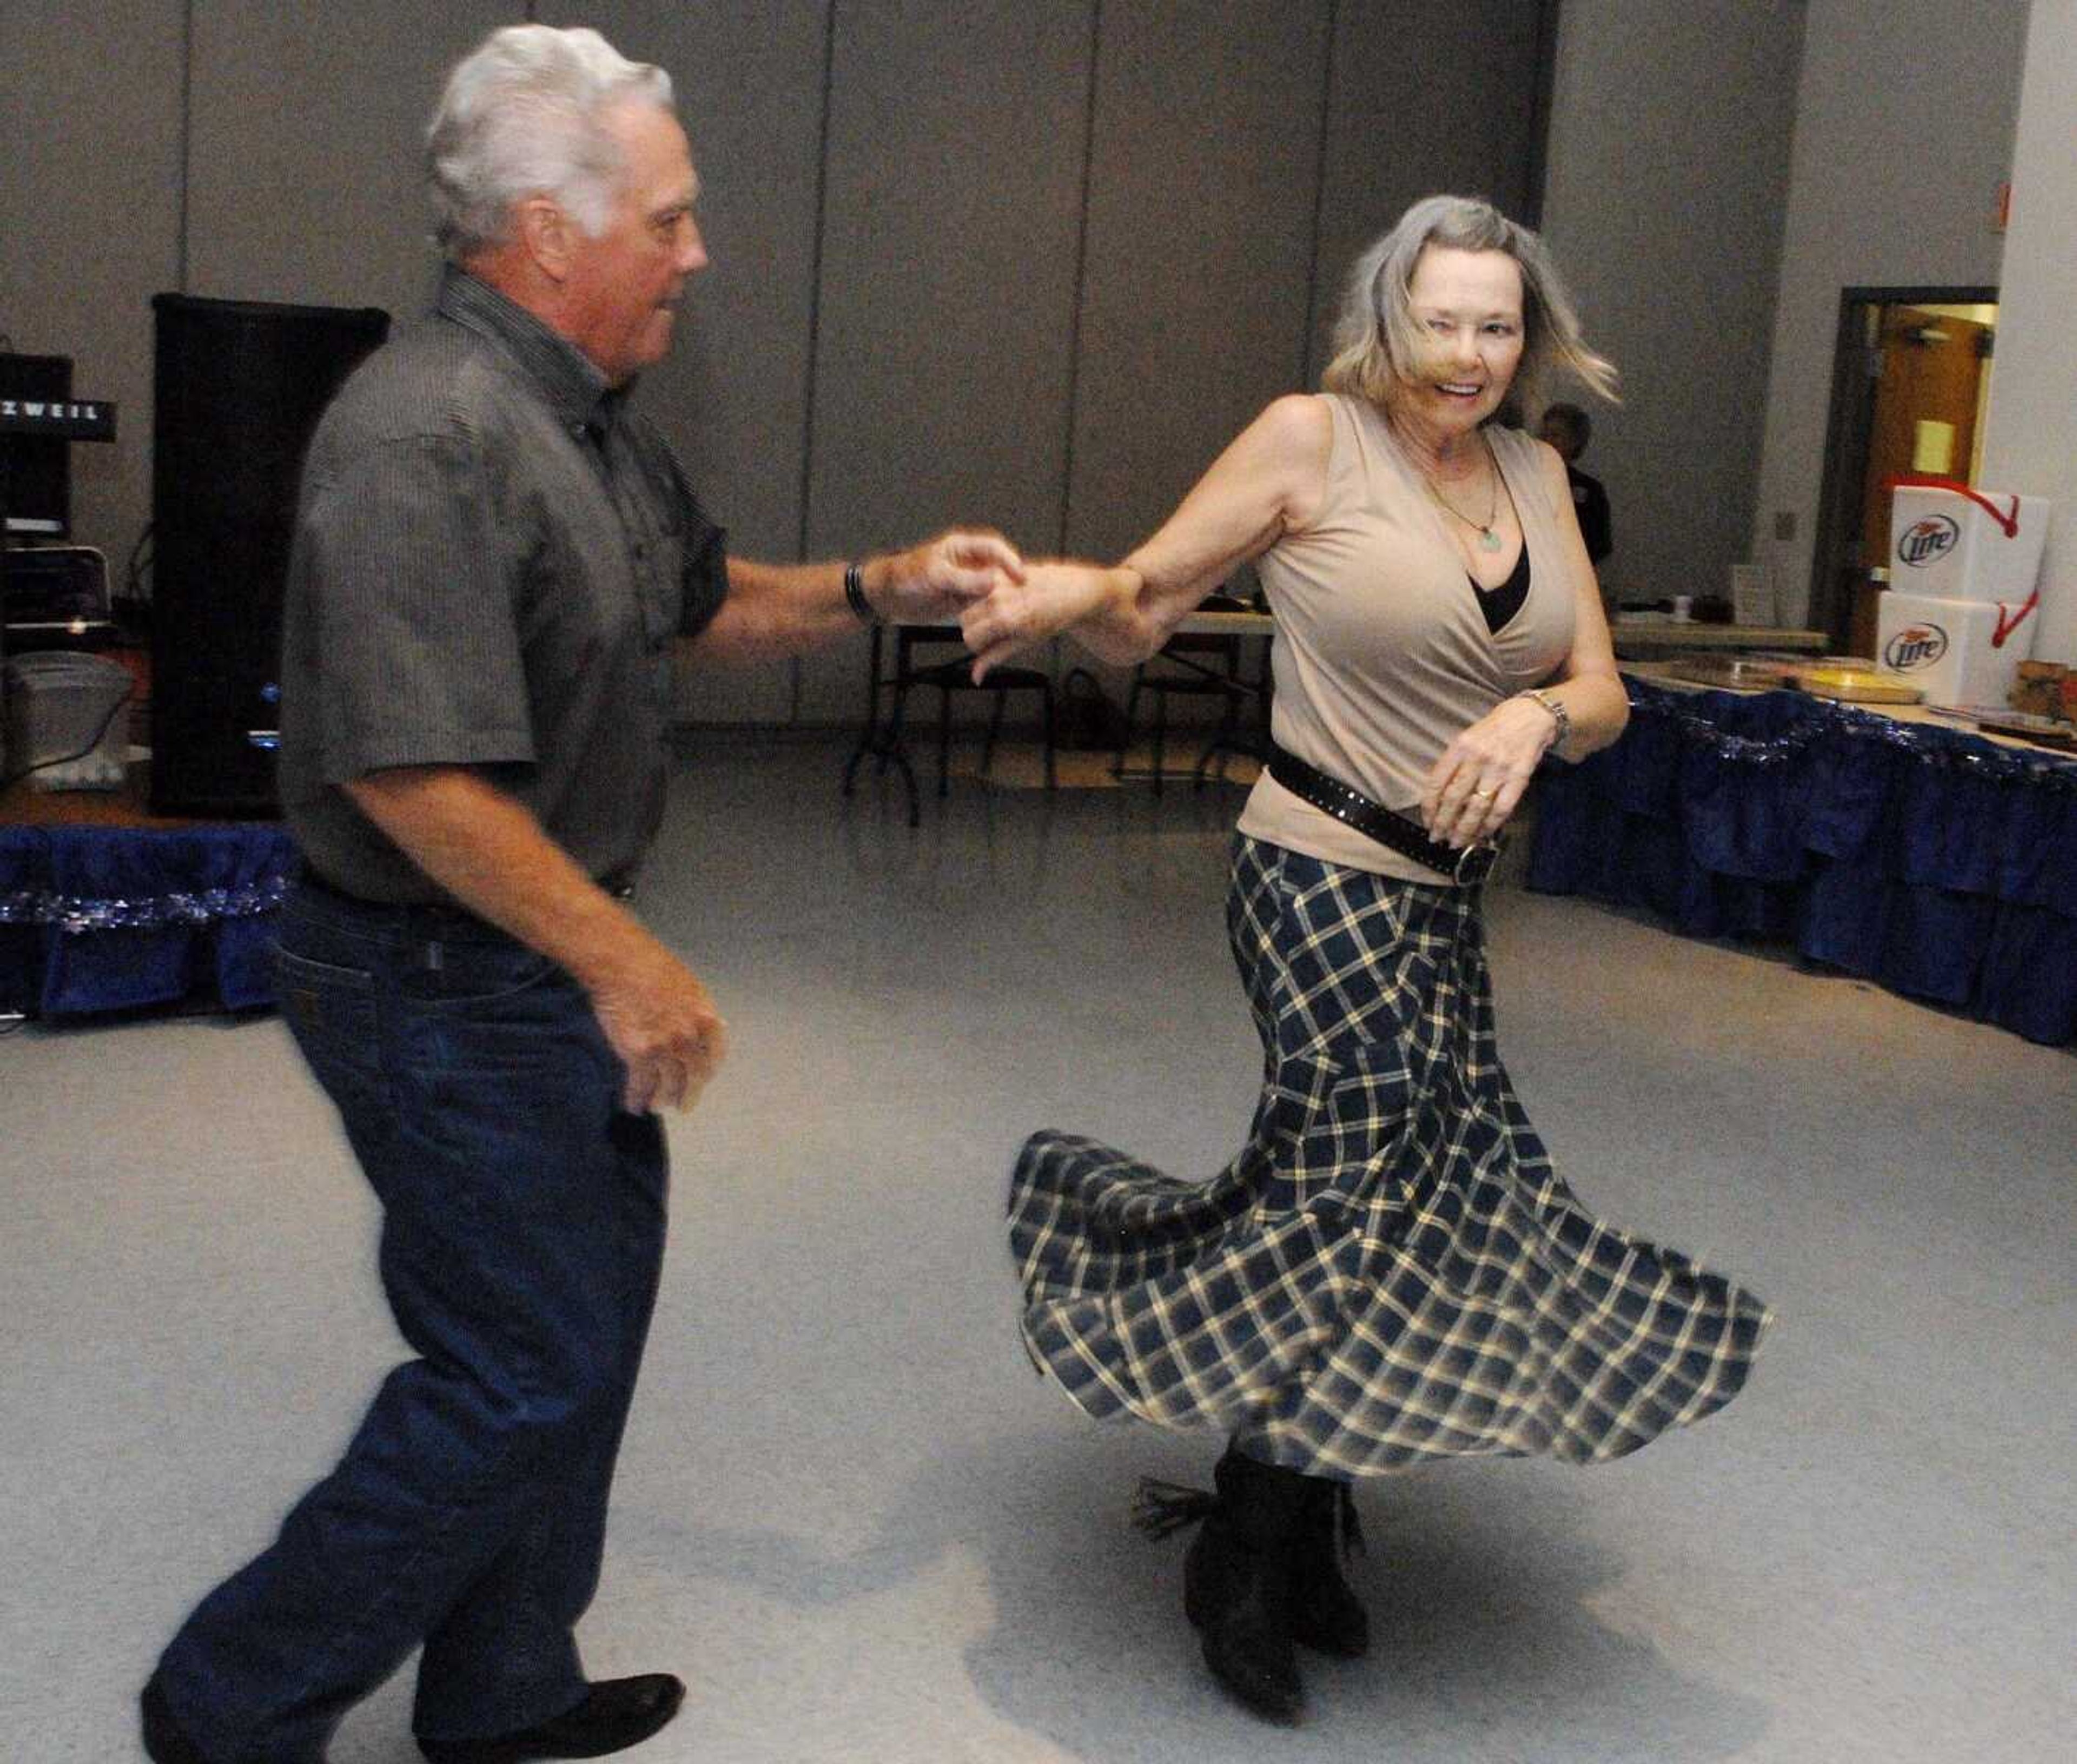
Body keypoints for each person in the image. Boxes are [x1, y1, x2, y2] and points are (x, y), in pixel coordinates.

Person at [140, 26, 1020, 1764]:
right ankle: (224, 1710)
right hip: (440, 975)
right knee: (517, 1368)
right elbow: (408, 775)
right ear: (549, 232)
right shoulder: (423, 437)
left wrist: (872, 586)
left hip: (517, 967)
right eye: (671, 220)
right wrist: (626, 960)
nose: (696, 252)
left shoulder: (576, 421)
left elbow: (694, 601)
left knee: (579, 1337)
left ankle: (500, 1688)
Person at [961, 194, 1770, 1723]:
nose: (1467, 353)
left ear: (1528, 336)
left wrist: (1535, 716)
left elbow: (1600, 688)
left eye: (1497, 323)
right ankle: (1248, 1544)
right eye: (1440, 319)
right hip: (1314, 869)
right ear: (1386, 317)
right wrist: (1083, 595)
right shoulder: (1309, 441)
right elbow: (1146, 611)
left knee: (1421, 1194)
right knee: (1353, 1178)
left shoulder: (1534, 472)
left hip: (1443, 896)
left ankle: (1306, 1512)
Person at [1538, 398, 1613, 565]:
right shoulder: (1520, 479)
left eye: (1556, 435)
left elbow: (1600, 545)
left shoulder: (1590, 490)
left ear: (1574, 442)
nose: (1547, 441)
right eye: (1544, 434)